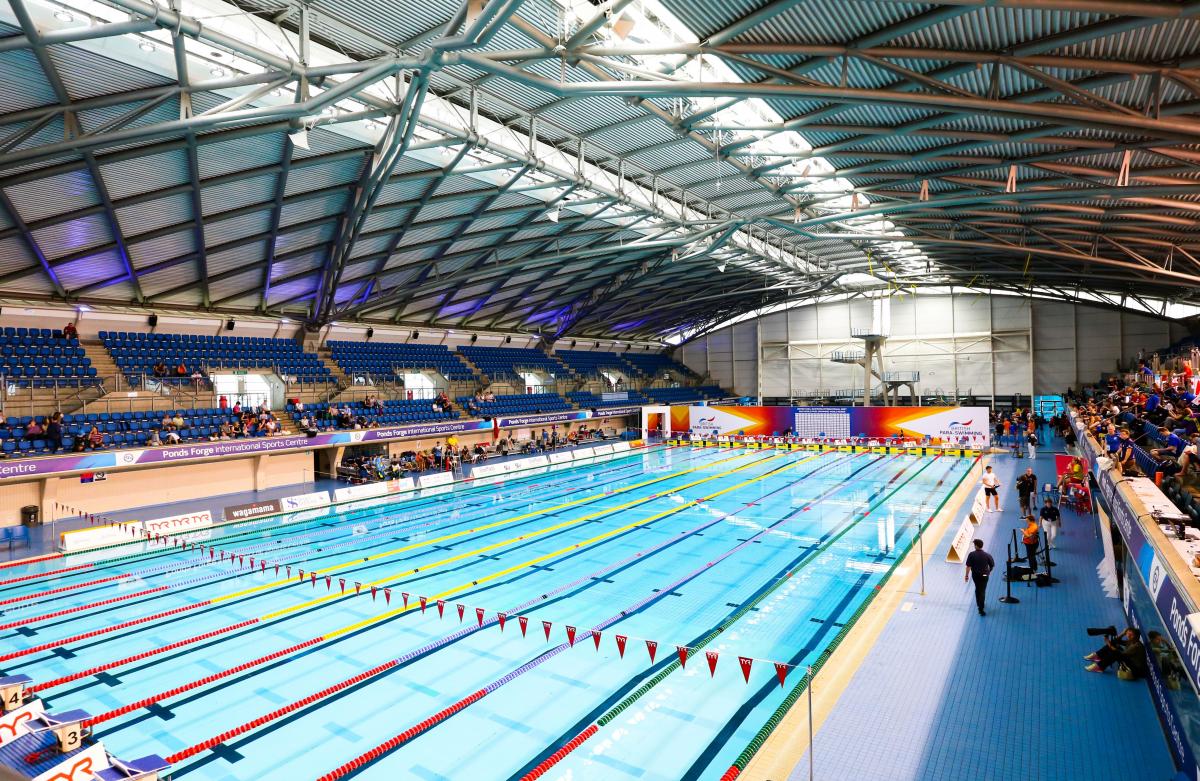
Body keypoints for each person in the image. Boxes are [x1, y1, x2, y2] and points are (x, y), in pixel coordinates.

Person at [963, 539, 994, 616]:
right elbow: (992, 565)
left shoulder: (971, 554)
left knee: (977, 588)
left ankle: (978, 604)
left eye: (974, 544)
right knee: (982, 590)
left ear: (976, 546)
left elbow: (968, 567)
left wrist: (966, 575)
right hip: (985, 575)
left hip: (976, 576)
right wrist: (989, 572)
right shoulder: (987, 555)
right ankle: (981, 608)